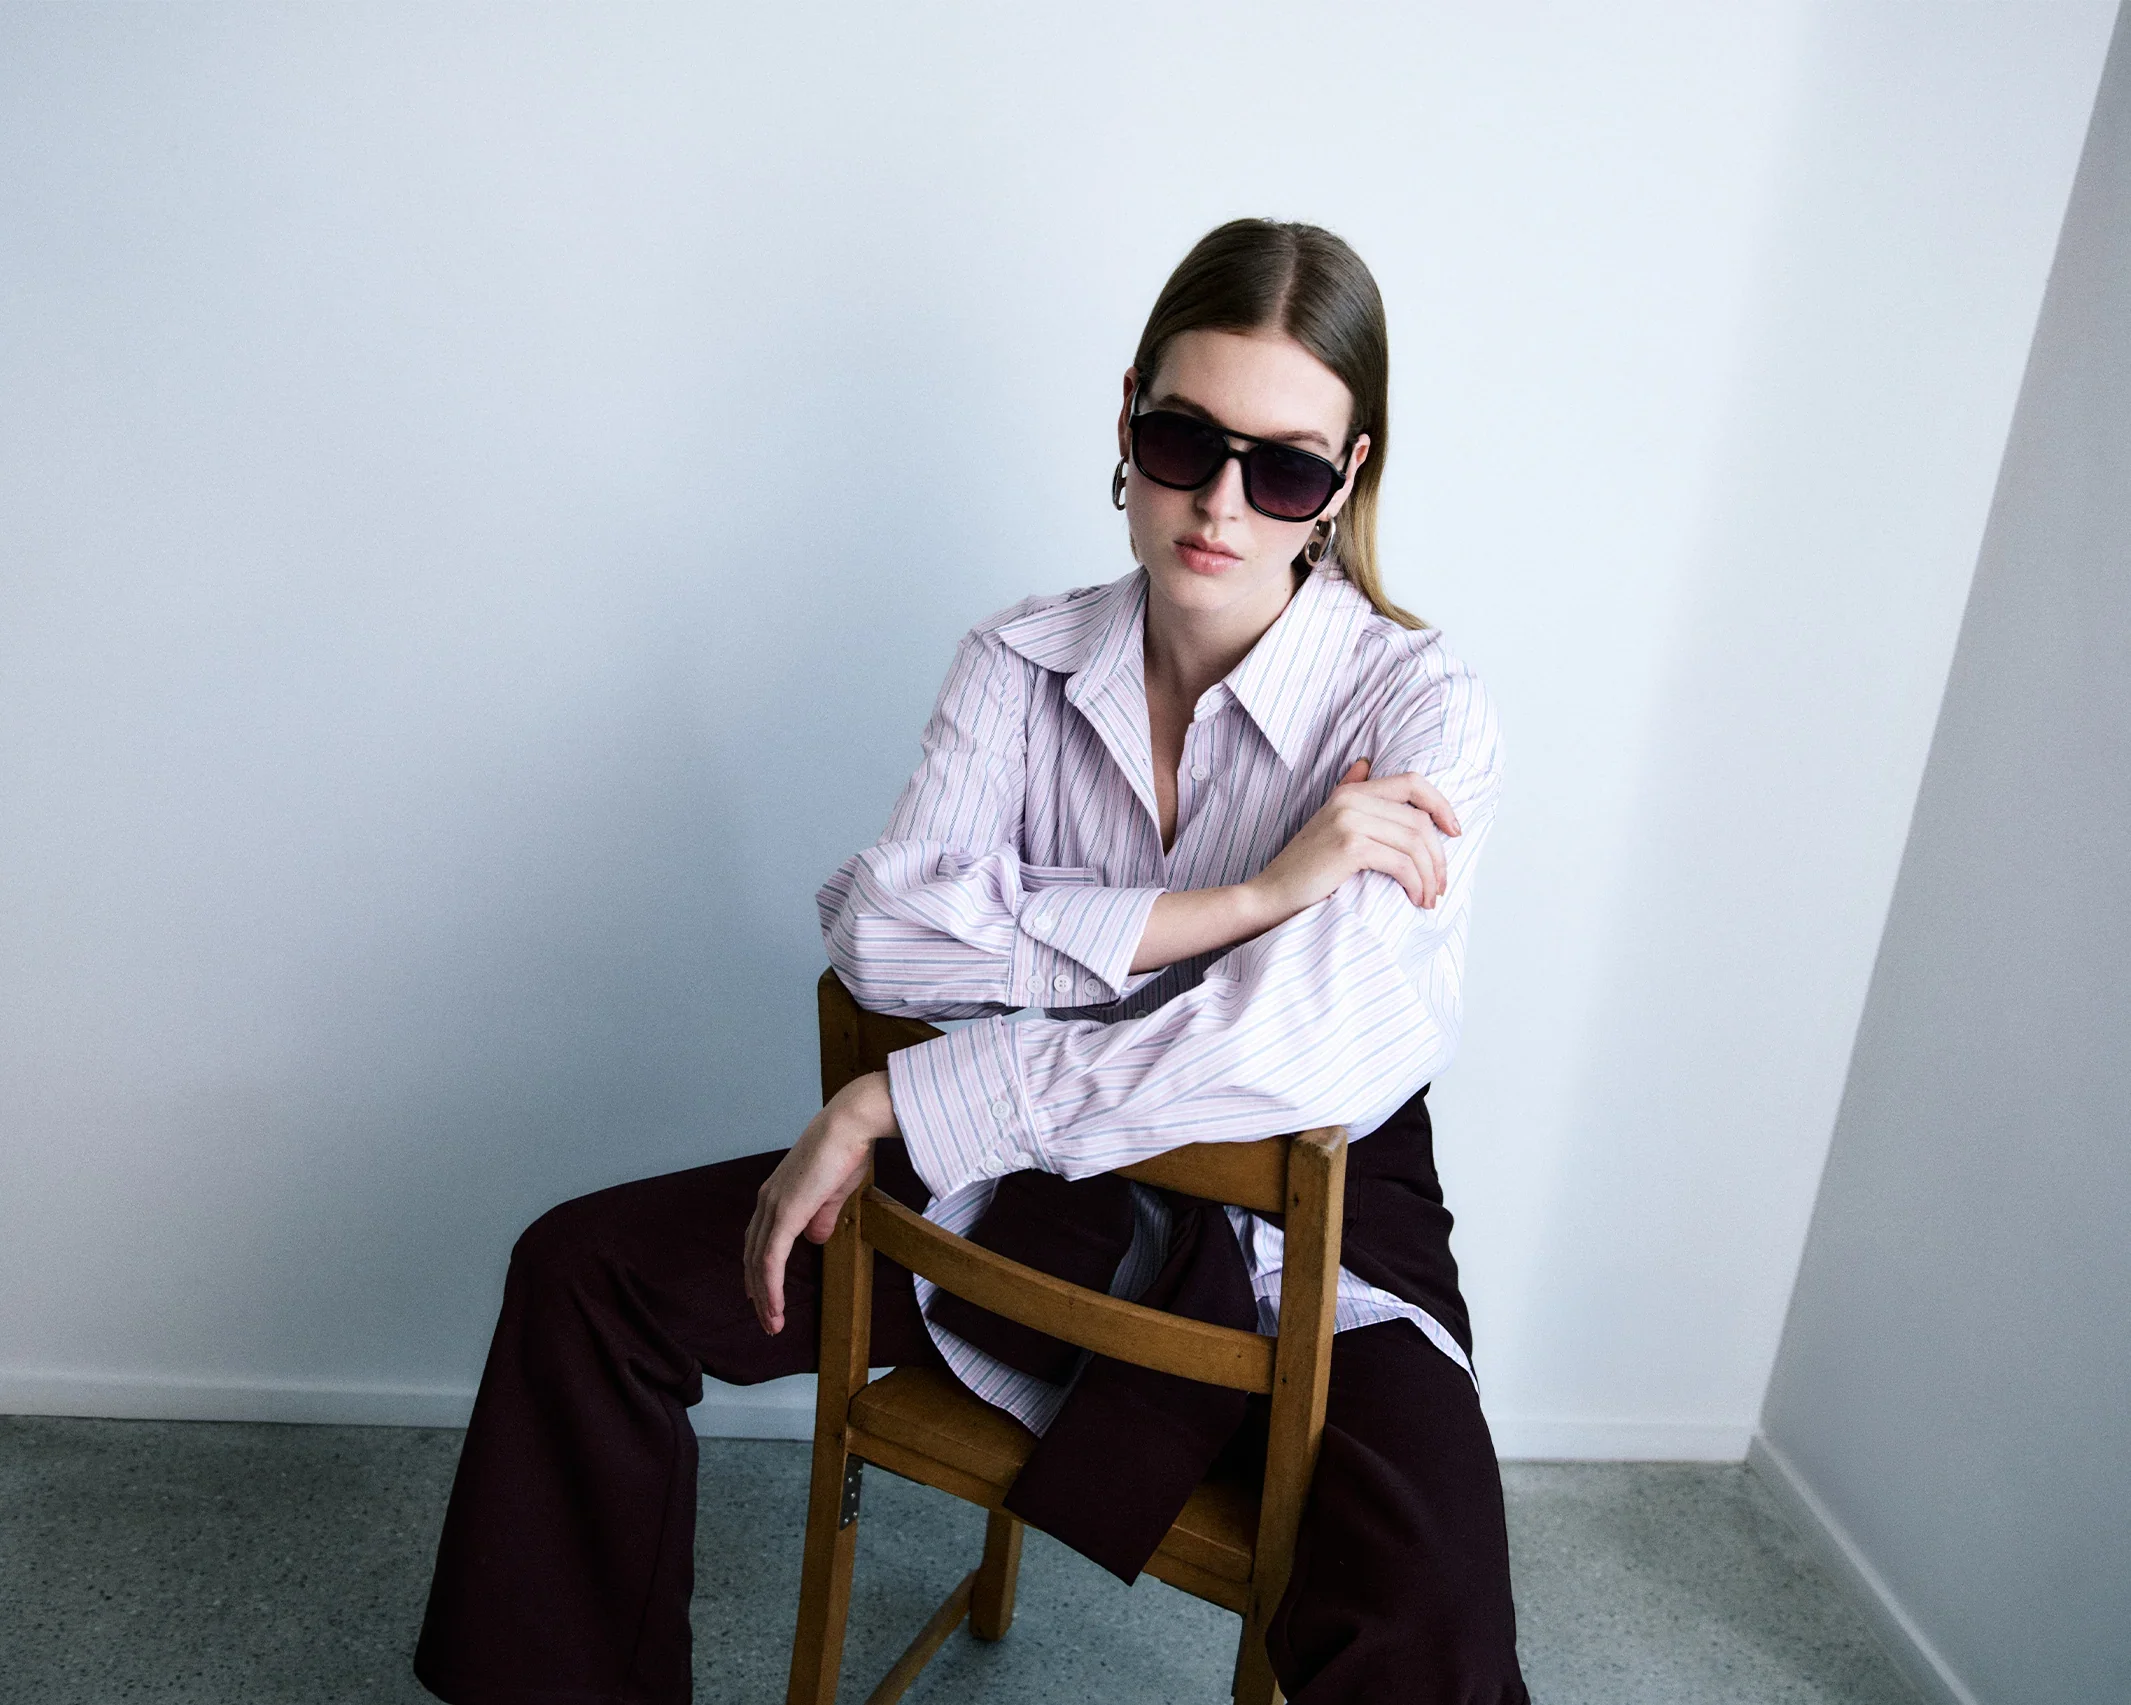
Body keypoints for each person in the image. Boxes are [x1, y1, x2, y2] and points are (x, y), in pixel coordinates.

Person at [414, 218, 1525, 1705]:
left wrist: (900, 1104)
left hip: (1308, 1234)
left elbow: (1295, 1048)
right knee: (586, 1275)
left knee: (1426, 1608)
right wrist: (1242, 902)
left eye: (1283, 468)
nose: (1217, 502)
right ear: (1125, 415)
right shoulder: (1020, 659)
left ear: (1345, 481)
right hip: (1022, 1192)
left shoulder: (1422, 708)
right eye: (1183, 439)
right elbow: (884, 934)